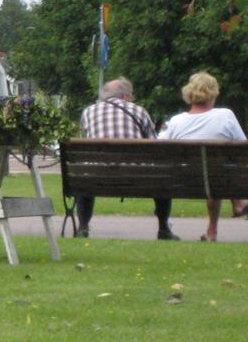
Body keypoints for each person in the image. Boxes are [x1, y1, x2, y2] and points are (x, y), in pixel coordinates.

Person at [75, 77, 180, 241]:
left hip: (96, 176)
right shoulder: (139, 111)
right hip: (136, 176)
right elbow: (155, 148)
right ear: (125, 96)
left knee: (86, 176)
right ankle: (164, 228)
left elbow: (84, 142)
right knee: (162, 177)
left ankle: (82, 227)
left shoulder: (88, 112)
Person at [163, 71, 248, 241]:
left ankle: (212, 232)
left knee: (211, 170)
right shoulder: (225, 116)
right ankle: (239, 202)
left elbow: (164, 152)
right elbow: (243, 147)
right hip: (216, 177)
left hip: (184, 179)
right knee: (215, 170)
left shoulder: (175, 121)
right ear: (213, 93)